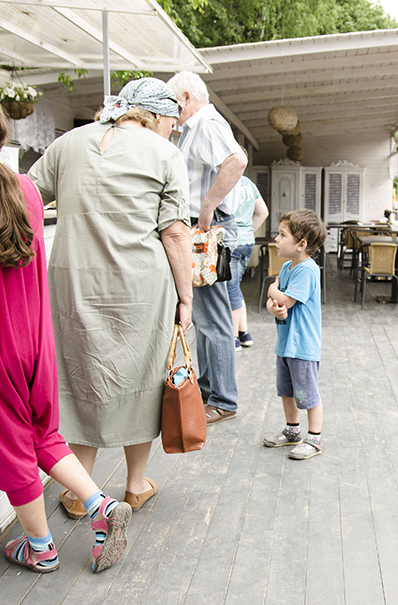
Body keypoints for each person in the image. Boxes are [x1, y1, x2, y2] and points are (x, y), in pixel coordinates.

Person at [0, 85, 131, 574]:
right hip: (37, 339)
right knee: (42, 433)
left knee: (9, 443)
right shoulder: (30, 190)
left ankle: (41, 548)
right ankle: (101, 507)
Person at [28, 78, 193, 520]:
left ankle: (79, 492)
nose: (172, 132)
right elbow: (175, 232)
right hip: (141, 287)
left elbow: (26, 198)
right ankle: (136, 485)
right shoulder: (165, 154)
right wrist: (186, 297)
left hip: (74, 284)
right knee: (141, 382)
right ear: (156, 115)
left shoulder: (69, 143)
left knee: (82, 376)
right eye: (172, 123)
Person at [167, 71, 247, 424]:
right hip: (203, 231)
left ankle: (224, 399)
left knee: (213, 319)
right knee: (205, 318)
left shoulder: (207, 122)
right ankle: (209, 388)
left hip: (209, 230)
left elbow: (237, 160)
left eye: (173, 103)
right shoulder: (196, 126)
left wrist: (207, 205)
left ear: (186, 96)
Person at [262, 209, 327, 460]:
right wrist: (273, 307)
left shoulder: (307, 270)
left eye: (281, 235)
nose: (276, 239)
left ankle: (314, 438)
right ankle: (292, 431)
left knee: (306, 393)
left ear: (301, 244)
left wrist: (271, 290)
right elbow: (277, 305)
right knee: (287, 391)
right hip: (286, 345)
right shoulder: (288, 267)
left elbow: (284, 299)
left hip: (302, 347)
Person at [228, 175, 268, 350]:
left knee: (231, 291)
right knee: (235, 287)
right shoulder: (249, 183)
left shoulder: (226, 180)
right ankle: (244, 333)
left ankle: (234, 337)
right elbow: (263, 212)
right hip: (246, 242)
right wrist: (248, 231)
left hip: (231, 242)